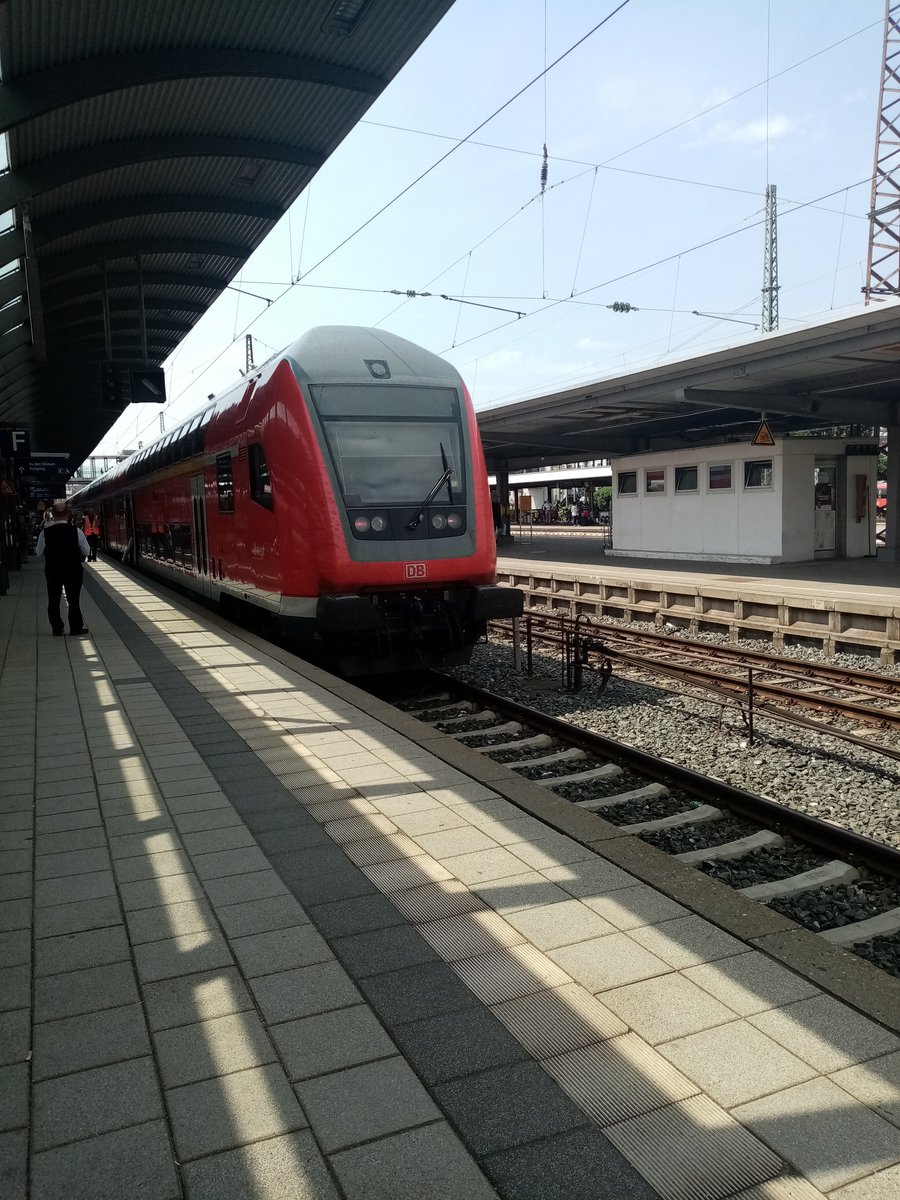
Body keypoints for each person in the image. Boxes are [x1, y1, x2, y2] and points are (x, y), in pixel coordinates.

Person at [35, 500, 90, 637]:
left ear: (53, 514)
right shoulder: (76, 531)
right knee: (73, 599)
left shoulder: (45, 533)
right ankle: (76, 628)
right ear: (68, 514)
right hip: (73, 570)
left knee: (53, 599)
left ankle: (57, 628)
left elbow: (38, 552)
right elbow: (86, 551)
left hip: (53, 570)